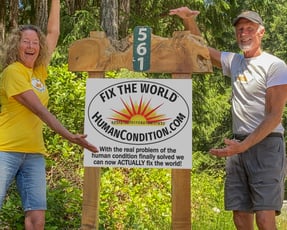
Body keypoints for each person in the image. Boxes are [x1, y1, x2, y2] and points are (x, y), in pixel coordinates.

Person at [170, 7, 287, 230]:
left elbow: (274, 116)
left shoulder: (275, 66)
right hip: (237, 145)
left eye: (249, 29)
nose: (244, 33)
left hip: (267, 145)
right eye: (240, 29)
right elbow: (201, 51)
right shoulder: (234, 62)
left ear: (261, 32)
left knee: (264, 218)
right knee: (240, 217)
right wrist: (189, 21)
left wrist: (243, 147)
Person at [0, 1, 98, 229]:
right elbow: (40, 111)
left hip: (34, 153)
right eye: (26, 42)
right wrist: (70, 136)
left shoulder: (38, 73)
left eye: (35, 42)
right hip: (5, 149)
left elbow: (54, 32)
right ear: (16, 46)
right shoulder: (12, 72)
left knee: (37, 218)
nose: (31, 45)